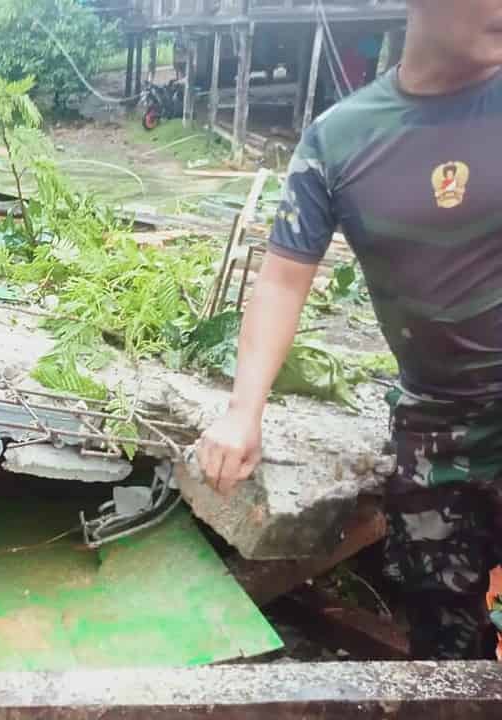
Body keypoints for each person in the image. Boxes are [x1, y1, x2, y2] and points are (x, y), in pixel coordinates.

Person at [193, 0, 502, 660]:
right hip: (439, 433)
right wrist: (243, 412)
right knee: (443, 638)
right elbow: (280, 279)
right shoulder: (339, 139)